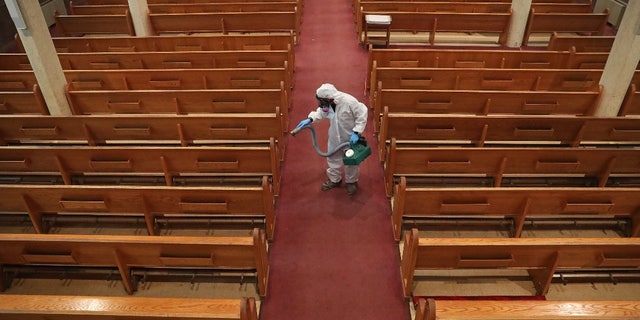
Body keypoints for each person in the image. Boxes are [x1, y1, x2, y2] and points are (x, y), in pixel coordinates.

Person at [294, 83, 368, 196]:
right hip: (334, 137)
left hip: (350, 138)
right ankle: (335, 180)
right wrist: (310, 119)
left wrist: (357, 132)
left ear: (328, 99)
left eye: (321, 100)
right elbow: (321, 112)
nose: (320, 103)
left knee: (351, 162)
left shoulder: (349, 102)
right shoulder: (328, 104)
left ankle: (352, 182)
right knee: (332, 158)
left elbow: (362, 114)